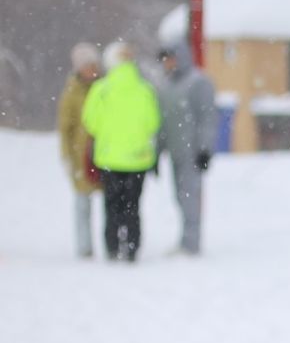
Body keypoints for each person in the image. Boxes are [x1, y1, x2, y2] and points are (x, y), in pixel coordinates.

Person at [80, 41, 161, 263]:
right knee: (133, 206)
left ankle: (113, 245)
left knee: (112, 205)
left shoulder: (101, 89)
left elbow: (90, 122)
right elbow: (153, 122)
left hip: (109, 159)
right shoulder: (144, 89)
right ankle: (132, 247)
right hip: (138, 159)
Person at [154, 45, 218, 255]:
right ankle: (184, 240)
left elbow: (207, 117)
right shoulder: (166, 86)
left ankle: (192, 244)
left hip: (192, 152)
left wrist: (204, 148)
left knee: (191, 197)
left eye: (170, 58)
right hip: (175, 151)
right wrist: (157, 151)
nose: (167, 64)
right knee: (179, 197)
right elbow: (163, 121)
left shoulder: (198, 82)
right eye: (164, 60)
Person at [56, 43, 102, 258]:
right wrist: (66, 155)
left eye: (93, 65)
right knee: (82, 203)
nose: (91, 70)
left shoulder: (104, 88)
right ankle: (84, 247)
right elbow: (65, 127)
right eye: (87, 66)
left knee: (108, 201)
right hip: (80, 155)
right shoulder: (71, 92)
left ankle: (108, 243)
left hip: (103, 152)